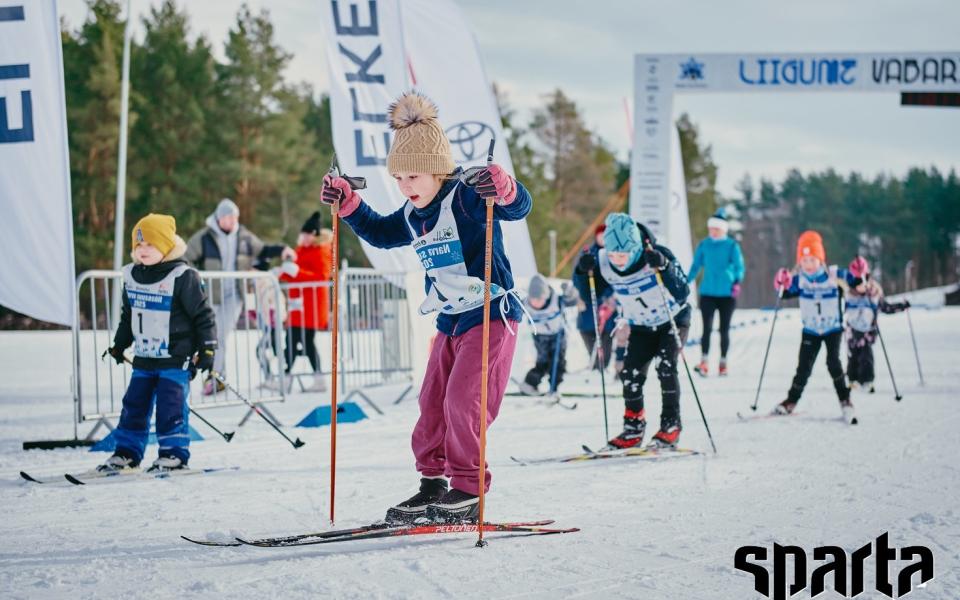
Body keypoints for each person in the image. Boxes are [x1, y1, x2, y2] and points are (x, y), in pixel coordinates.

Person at [321, 92, 532, 524]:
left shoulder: (467, 197)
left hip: (491, 314)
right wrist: (350, 204)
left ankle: (468, 489)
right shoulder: (414, 213)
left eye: (413, 176)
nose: (405, 186)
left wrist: (506, 189)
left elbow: (516, 209)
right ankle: (432, 485)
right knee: (431, 402)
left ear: (438, 170)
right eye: (398, 178)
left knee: (463, 400)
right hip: (451, 320)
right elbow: (381, 233)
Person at [101, 214, 217, 472]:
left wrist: (208, 348)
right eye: (138, 245)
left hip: (175, 357)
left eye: (150, 244)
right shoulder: (132, 275)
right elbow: (128, 316)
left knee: (170, 406)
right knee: (134, 405)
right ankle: (127, 452)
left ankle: (173, 453)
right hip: (144, 358)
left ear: (166, 246)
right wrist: (119, 345)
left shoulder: (183, 276)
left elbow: (203, 315)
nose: (143, 250)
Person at [576, 212, 691, 450]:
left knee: (666, 367)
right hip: (640, 324)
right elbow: (591, 294)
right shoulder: (604, 261)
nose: (617, 260)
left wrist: (665, 267)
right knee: (630, 373)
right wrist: (582, 272)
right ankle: (633, 429)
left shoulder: (656, 254)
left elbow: (682, 291)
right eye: (613, 254)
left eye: (623, 255)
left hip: (672, 319)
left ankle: (671, 426)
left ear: (635, 248)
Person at [185, 198, 295, 394]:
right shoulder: (205, 237)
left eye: (234, 217)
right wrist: (196, 279)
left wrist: (282, 250)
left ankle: (216, 376)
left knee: (220, 334)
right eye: (228, 217)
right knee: (208, 334)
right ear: (219, 218)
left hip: (234, 294)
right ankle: (209, 374)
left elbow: (263, 249)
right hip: (210, 294)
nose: (232, 221)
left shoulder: (244, 237)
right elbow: (186, 258)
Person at [771, 230, 856, 417]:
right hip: (811, 330)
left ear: (820, 259)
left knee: (833, 363)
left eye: (812, 260)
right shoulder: (799, 280)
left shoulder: (833, 275)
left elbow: (855, 280)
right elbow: (783, 293)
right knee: (803, 367)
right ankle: (791, 401)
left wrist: (858, 272)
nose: (808, 265)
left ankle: (845, 400)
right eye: (804, 261)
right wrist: (780, 282)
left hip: (832, 329)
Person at [278, 212, 332, 392]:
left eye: (309, 234)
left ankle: (294, 378)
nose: (305, 237)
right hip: (298, 306)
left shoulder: (321, 251)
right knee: (293, 340)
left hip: (312, 307)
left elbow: (322, 277)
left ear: (315, 235)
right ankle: (289, 377)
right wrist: (281, 273)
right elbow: (294, 272)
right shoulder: (300, 250)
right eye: (304, 234)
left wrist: (296, 272)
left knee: (304, 342)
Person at [687, 208, 745, 376]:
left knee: (724, 329)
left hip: (727, 293)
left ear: (723, 229)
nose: (713, 231)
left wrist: (737, 281)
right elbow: (696, 266)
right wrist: (685, 282)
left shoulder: (731, 246)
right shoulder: (704, 245)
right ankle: (704, 362)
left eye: (716, 229)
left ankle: (723, 362)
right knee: (706, 329)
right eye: (711, 228)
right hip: (708, 293)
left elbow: (739, 267)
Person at [844, 256, 910, 392]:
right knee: (853, 356)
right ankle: (852, 380)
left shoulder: (874, 294)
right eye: (858, 285)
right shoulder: (848, 296)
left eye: (864, 284)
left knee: (866, 357)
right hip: (852, 332)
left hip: (868, 332)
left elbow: (886, 307)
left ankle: (867, 381)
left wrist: (901, 306)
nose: (862, 287)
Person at [518, 274, 578, 396]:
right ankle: (529, 384)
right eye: (534, 299)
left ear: (546, 296)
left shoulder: (556, 300)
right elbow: (512, 308)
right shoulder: (525, 303)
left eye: (540, 299)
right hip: (540, 336)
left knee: (558, 361)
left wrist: (569, 291)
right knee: (542, 362)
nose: (536, 303)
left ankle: (554, 388)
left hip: (558, 335)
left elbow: (572, 300)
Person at [571, 224, 614, 370]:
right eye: (600, 235)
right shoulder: (587, 252)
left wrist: (609, 295)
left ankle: (603, 364)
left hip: (606, 304)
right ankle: (595, 362)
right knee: (588, 331)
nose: (603, 239)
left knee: (606, 333)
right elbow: (576, 277)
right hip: (589, 300)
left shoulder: (613, 254)